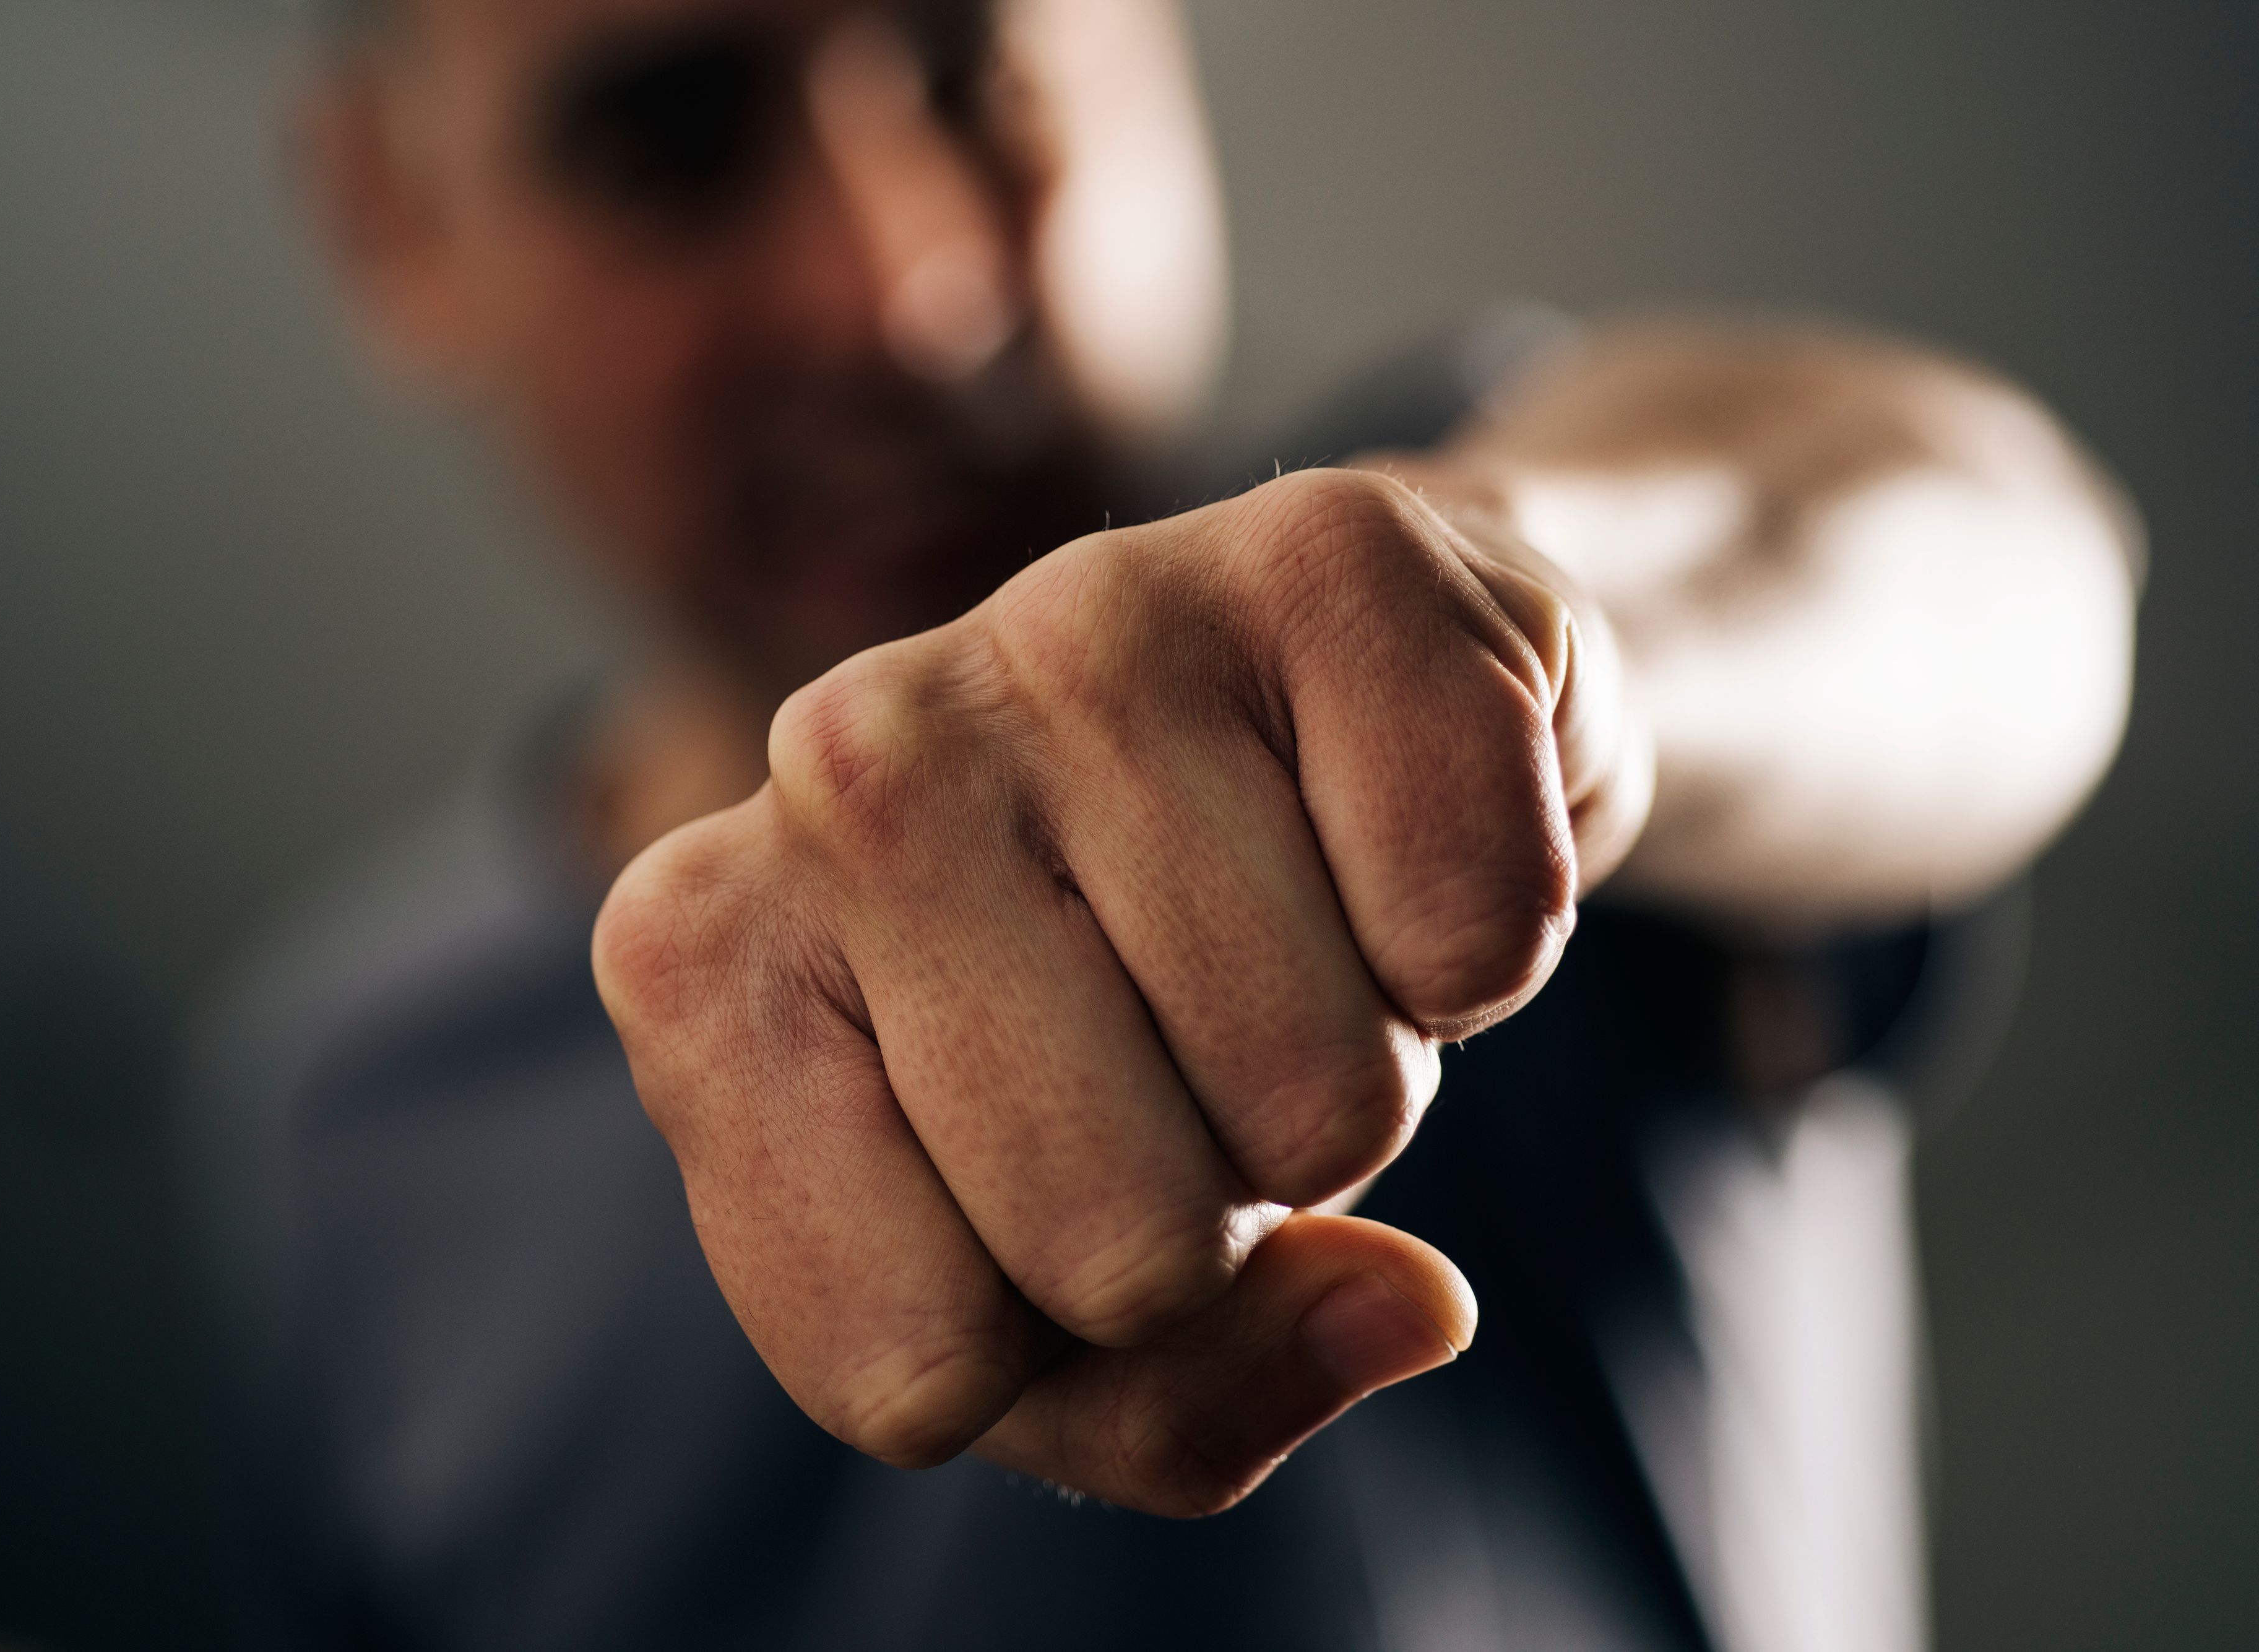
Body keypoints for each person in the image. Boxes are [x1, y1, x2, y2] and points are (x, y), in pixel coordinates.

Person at [191, 0, 2141, 1646]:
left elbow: (1984, 574)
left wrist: (1532, 630)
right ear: (393, 223)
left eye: (980, 74)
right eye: (669, 146)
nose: (908, 291)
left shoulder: (1459, 600)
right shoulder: (336, 1110)